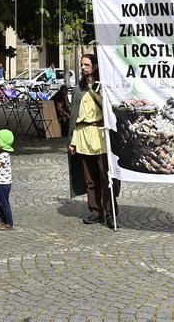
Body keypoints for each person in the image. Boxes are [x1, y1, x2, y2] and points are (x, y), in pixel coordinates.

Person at [68, 54, 118, 228]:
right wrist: (72, 141)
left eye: (87, 64)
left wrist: (96, 90)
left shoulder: (102, 87)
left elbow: (110, 109)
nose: (83, 68)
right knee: (90, 180)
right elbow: (74, 117)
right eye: (82, 65)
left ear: (95, 66)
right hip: (82, 135)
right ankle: (96, 212)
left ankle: (110, 213)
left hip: (100, 135)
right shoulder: (78, 89)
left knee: (106, 177)